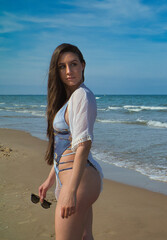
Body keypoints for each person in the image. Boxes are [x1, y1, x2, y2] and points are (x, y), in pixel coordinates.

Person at [38, 43, 103, 240]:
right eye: (62, 66)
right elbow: (65, 145)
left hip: (79, 182)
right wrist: (51, 179)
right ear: (56, 71)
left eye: (73, 64)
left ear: (83, 65)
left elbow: (83, 145)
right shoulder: (71, 98)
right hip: (75, 178)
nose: (69, 71)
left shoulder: (81, 95)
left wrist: (70, 191)